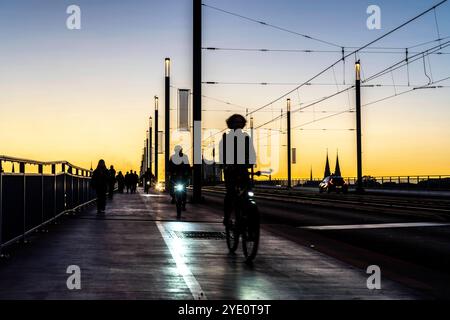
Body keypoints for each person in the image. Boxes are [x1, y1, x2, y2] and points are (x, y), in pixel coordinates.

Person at [219, 114, 256, 226]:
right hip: (231, 170)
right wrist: (225, 164)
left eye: (240, 122)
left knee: (248, 190)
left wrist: (250, 163)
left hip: (243, 169)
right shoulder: (226, 138)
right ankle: (227, 216)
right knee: (230, 193)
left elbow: (251, 152)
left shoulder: (246, 138)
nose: (238, 124)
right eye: (236, 122)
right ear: (231, 124)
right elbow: (222, 154)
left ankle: (248, 213)